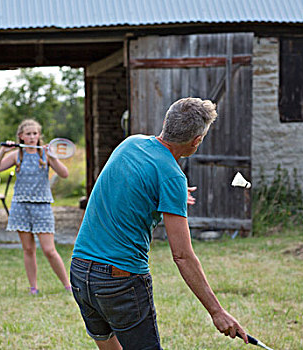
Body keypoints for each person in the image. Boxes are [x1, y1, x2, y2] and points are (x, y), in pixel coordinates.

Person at [70, 97, 248, 349]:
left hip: (80, 271)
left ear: (166, 122)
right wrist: (217, 312)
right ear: (196, 141)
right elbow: (182, 256)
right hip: (120, 280)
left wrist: (170, 194)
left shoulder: (130, 143)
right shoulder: (171, 176)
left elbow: (129, 184)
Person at [0, 119, 72, 295]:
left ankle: (68, 285)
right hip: (21, 206)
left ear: (39, 135)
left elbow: (64, 174)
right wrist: (2, 151)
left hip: (42, 206)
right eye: (28, 134)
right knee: (28, 249)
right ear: (21, 136)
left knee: (49, 250)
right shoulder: (17, 156)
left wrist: (54, 157)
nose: (32, 137)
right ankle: (33, 288)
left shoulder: (46, 155)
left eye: (35, 133)